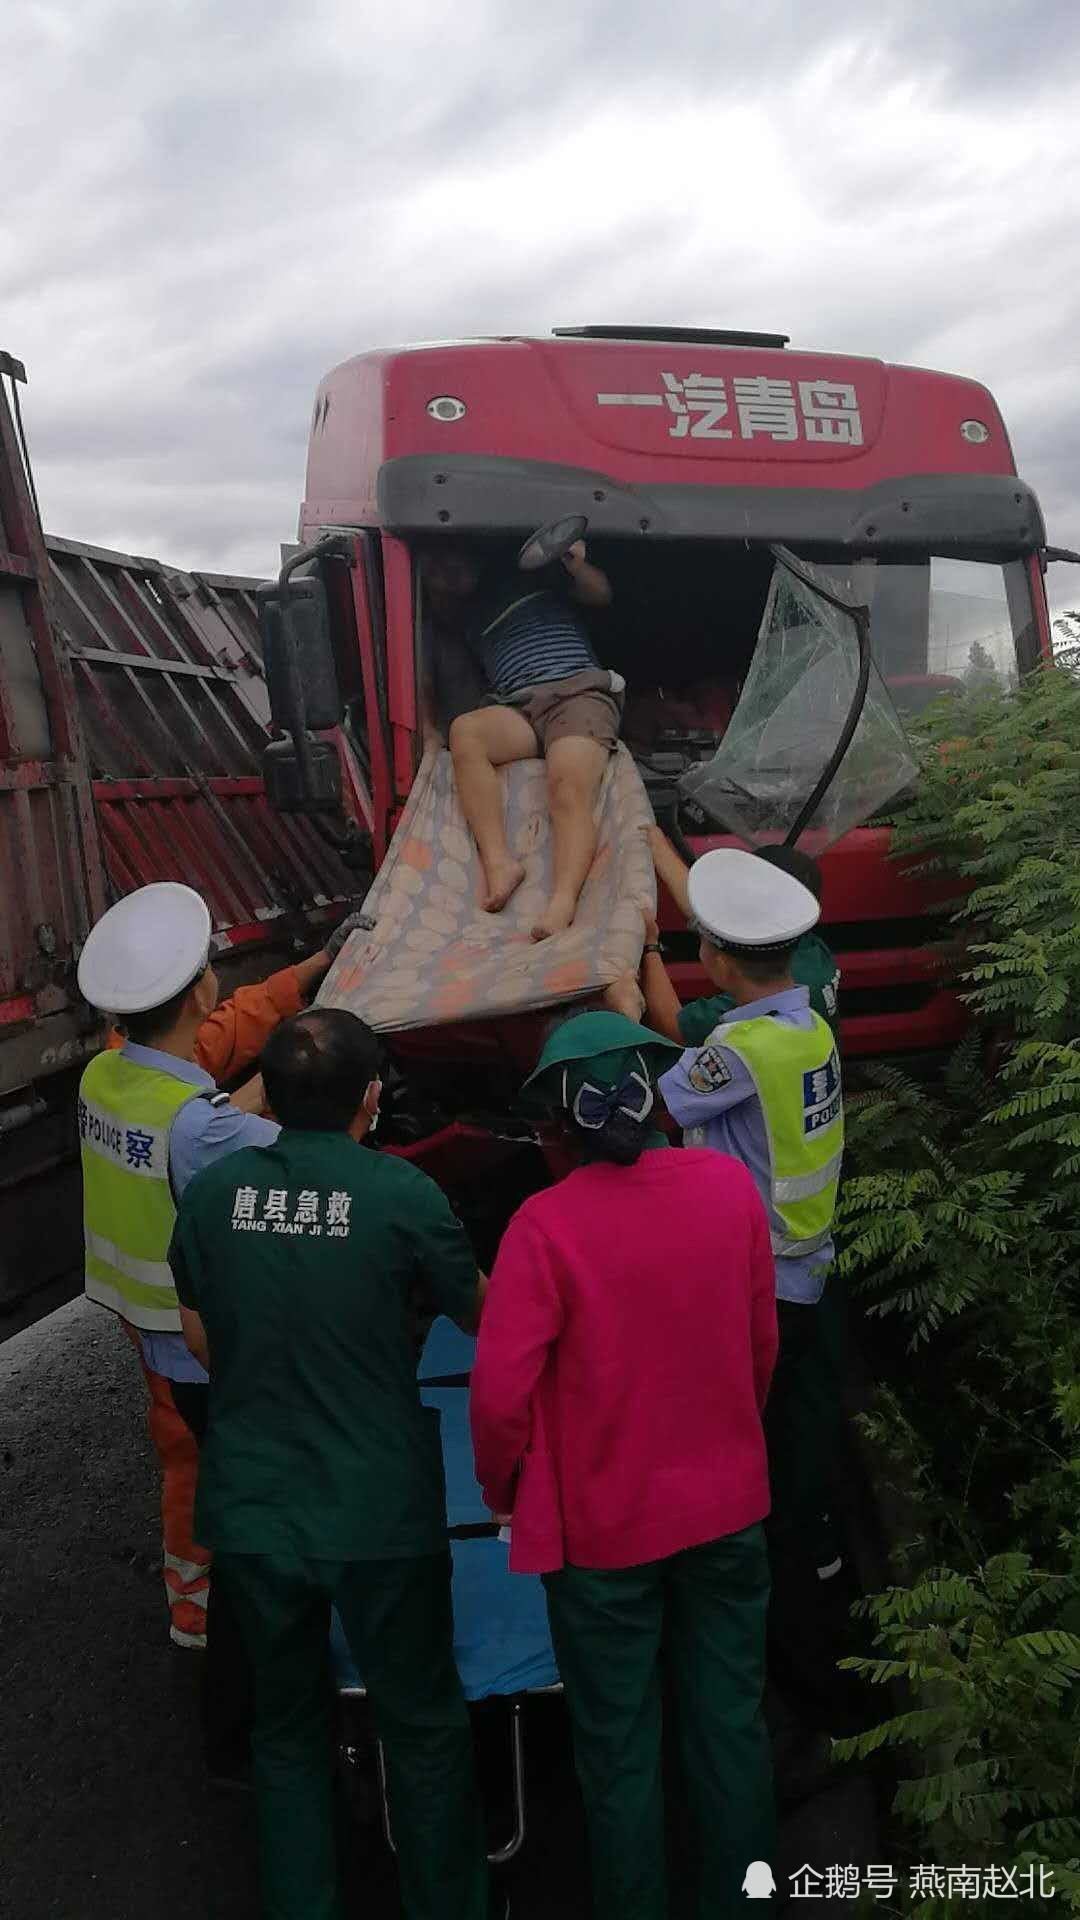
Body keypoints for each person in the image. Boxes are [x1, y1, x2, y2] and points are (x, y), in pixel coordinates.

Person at [170, 1009, 488, 1920]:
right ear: (372, 1100)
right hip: (379, 1511)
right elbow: (478, 1316)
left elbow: (200, 1334)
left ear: (266, 1091)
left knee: (287, 1731)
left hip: (257, 1509)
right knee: (421, 1723)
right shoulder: (402, 1195)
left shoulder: (214, 1194)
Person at [470, 1011, 778, 1919]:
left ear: (560, 1126)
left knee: (617, 1744)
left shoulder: (542, 1226)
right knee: (729, 1724)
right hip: (728, 1506)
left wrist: (505, 1490)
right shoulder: (728, 1191)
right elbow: (761, 1346)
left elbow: (498, 1398)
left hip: (602, 1534)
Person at [76, 884, 356, 1775]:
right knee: (215, 1470)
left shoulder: (104, 1070)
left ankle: (194, 1600)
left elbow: (221, 1047)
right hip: (187, 1338)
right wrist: (323, 1071)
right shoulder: (204, 1128)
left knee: (180, 1456)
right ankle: (212, 1614)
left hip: (134, 1310)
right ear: (199, 989)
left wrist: (312, 972)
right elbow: (285, 1143)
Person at [643, 850, 851, 1735]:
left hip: (756, 1285)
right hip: (806, 1271)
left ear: (721, 963)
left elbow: (662, 1104)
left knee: (749, 1467)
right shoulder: (809, 1027)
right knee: (796, 1444)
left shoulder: (737, 1047)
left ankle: (795, 1675)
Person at [420, 540, 619, 940]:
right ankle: (500, 864)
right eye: (439, 571)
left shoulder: (533, 580)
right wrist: (429, 731)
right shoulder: (460, 620)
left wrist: (578, 566)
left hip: (576, 693)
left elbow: (601, 594)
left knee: (565, 785)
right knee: (466, 732)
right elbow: (424, 674)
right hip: (519, 705)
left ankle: (563, 899)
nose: (450, 574)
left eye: (456, 562)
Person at [647, 826, 841, 1041]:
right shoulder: (805, 947)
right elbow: (709, 916)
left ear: (724, 963)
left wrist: (650, 948)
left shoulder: (763, 995)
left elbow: (673, 1028)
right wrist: (659, 847)